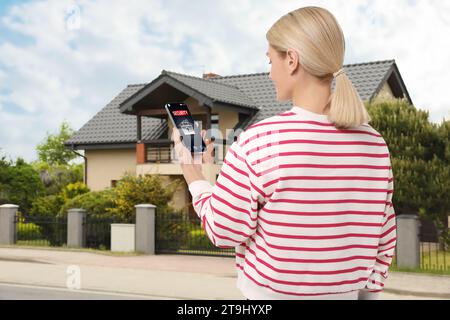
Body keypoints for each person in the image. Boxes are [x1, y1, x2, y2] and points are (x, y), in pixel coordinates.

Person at [171, 6, 396, 300]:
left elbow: (223, 230)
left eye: (270, 60)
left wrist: (192, 170)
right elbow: (383, 239)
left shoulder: (259, 140)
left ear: (291, 60)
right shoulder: (375, 145)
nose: (269, 73)